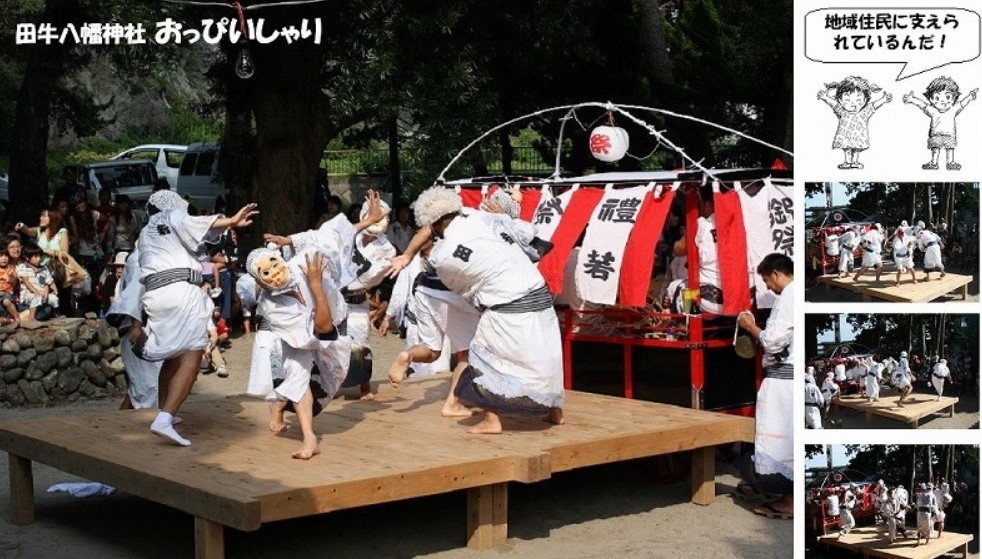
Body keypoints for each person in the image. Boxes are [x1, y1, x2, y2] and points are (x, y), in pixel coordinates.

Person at [408, 186, 564, 434]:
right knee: (548, 355)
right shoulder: (482, 217)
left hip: (508, 304)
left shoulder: (445, 256)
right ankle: (556, 413)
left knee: (481, 353)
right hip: (538, 291)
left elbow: (465, 291)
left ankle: (492, 420)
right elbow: (528, 233)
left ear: (432, 224)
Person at [131, 190, 258, 447]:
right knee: (194, 352)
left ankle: (165, 410)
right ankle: (165, 418)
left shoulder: (146, 234)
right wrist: (231, 221)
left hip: (157, 295)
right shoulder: (171, 216)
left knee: (174, 356)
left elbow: (197, 241)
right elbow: (192, 224)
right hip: (180, 291)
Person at [246, 247, 350, 459]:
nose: (274, 273)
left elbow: (329, 238)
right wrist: (315, 286)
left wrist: (291, 240)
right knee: (297, 374)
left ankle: (279, 402)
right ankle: (309, 438)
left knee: (330, 384)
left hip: (338, 331)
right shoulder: (271, 305)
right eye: (265, 273)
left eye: (274, 264)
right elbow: (321, 327)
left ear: (282, 259)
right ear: (260, 280)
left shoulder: (304, 261)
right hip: (301, 337)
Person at [736, 253, 793, 520]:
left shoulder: (788, 299)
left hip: (783, 384)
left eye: (767, 280)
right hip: (789, 382)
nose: (768, 287)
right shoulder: (798, 296)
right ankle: (786, 496)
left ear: (777, 273)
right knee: (788, 441)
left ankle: (787, 499)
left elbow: (772, 342)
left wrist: (751, 327)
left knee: (778, 443)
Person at [106, 248, 162, 410]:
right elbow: (134, 293)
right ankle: (144, 428)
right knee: (149, 387)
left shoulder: (159, 255)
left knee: (143, 386)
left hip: (153, 327)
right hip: (137, 327)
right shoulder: (141, 257)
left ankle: (118, 425)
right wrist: (136, 325)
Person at [903, 76, 978, 170]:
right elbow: (922, 105)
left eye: (947, 97)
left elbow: (962, 103)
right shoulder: (933, 110)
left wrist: (970, 97)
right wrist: (912, 99)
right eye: (937, 98)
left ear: (954, 98)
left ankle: (950, 163)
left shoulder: (953, 110)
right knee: (935, 148)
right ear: (931, 99)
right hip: (936, 134)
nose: (942, 101)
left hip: (950, 135)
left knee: (950, 148)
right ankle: (934, 163)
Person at [817, 76, 892, 169]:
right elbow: (833, 104)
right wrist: (825, 97)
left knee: (857, 149)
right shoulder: (842, 112)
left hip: (858, 136)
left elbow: (874, 106)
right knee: (847, 149)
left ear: (865, 100)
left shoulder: (864, 112)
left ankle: (855, 162)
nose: (853, 104)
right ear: (840, 100)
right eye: (848, 100)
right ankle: (848, 162)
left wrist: (884, 100)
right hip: (846, 136)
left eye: (858, 101)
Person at [16, 243, 58, 321]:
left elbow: (49, 282)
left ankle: (56, 314)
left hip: (42, 298)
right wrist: (35, 291)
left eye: (40, 256)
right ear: (27, 258)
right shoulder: (23, 267)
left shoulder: (44, 268)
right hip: (27, 299)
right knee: (37, 300)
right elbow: (26, 282)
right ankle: (31, 318)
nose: (39, 258)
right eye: (36, 256)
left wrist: (55, 291)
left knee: (53, 300)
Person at [0, 251, 20, 326]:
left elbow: (14, 284)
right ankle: (8, 320)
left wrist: (11, 276)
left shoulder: (11, 268)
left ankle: (17, 318)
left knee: (6, 301)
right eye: (1, 256)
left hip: (7, 293)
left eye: (6, 256)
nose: (4, 259)